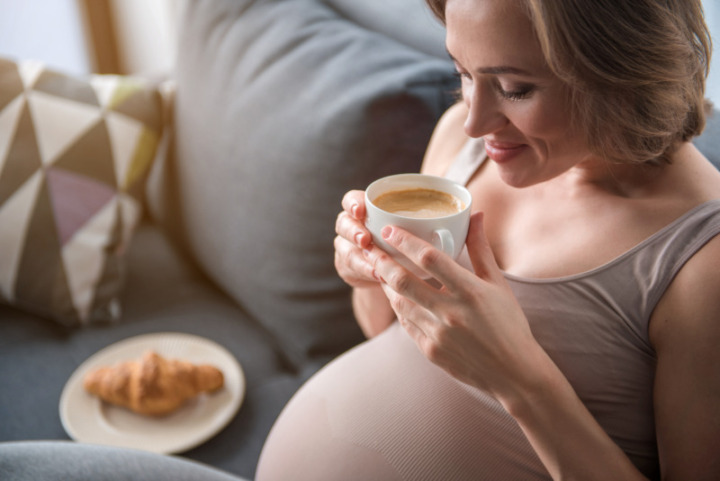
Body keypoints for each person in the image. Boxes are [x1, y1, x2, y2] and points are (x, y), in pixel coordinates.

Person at [256, 0, 720, 479]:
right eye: (462, 72)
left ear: (623, 69)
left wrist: (519, 379)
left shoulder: (703, 261)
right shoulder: (460, 141)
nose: (474, 121)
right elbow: (386, 333)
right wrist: (369, 272)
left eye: (514, 90)